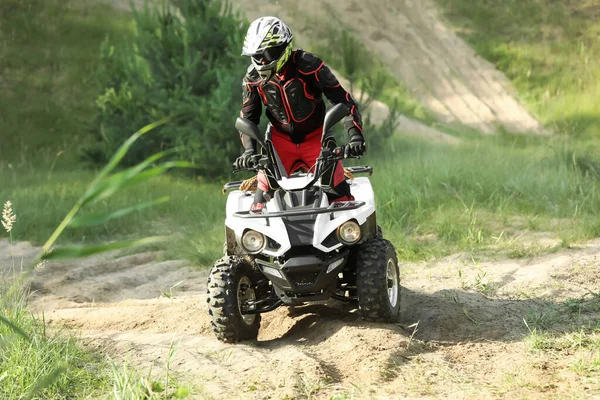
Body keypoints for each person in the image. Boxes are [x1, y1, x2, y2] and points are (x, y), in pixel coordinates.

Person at [234, 16, 366, 212]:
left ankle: (360, 241)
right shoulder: (252, 79)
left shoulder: (308, 65)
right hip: (279, 144)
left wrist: (355, 138)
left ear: (283, 48)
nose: (261, 61)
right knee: (259, 207)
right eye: (257, 55)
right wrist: (248, 152)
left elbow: (344, 101)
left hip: (317, 141)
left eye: (267, 54)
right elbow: (247, 119)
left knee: (343, 202)